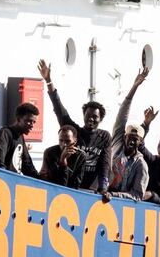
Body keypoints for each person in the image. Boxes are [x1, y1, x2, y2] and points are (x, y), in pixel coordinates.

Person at [38, 60, 111, 191]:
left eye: (95, 117)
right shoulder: (74, 131)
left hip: (90, 190)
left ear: (101, 119)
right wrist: (49, 81)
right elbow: (59, 109)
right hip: (71, 184)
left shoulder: (104, 136)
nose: (91, 119)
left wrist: (103, 187)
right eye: (88, 116)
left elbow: (104, 164)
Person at [98, 68, 150, 201]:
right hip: (101, 195)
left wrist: (114, 196)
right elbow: (122, 115)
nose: (132, 142)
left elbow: (137, 195)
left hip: (120, 205)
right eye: (130, 138)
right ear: (124, 137)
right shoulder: (117, 143)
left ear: (140, 142)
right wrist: (134, 86)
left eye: (136, 139)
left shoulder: (141, 164)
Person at [0, 102, 40, 177]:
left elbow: (28, 166)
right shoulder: (5, 133)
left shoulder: (20, 138)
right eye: (29, 121)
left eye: (34, 122)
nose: (32, 125)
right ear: (18, 119)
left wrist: (41, 182)